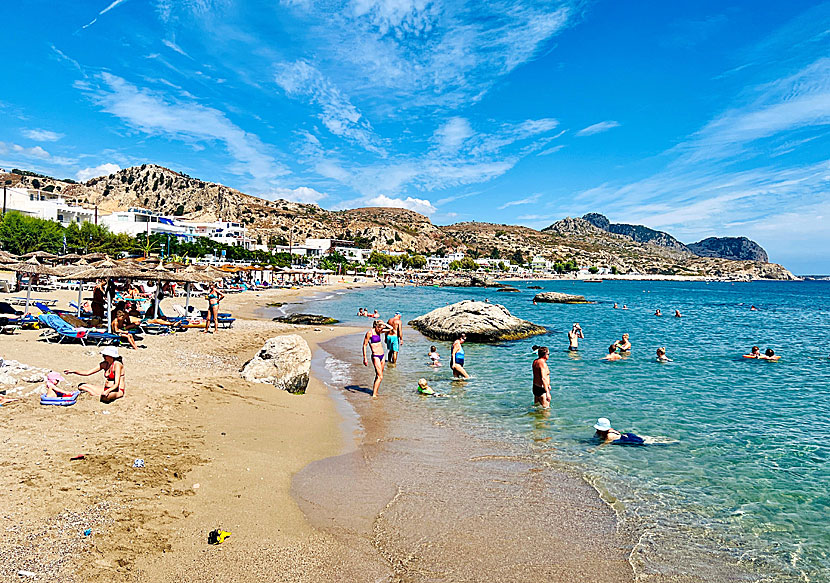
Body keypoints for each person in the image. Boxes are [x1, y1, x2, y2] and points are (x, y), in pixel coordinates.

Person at [362, 320, 393, 397]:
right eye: (380, 328)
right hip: (375, 356)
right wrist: (365, 357)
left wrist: (383, 324)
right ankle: (374, 395)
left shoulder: (379, 331)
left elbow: (391, 328)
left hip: (382, 355)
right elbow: (364, 345)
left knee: (378, 375)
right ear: (376, 326)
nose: (381, 330)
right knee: (380, 376)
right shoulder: (370, 333)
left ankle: (375, 392)